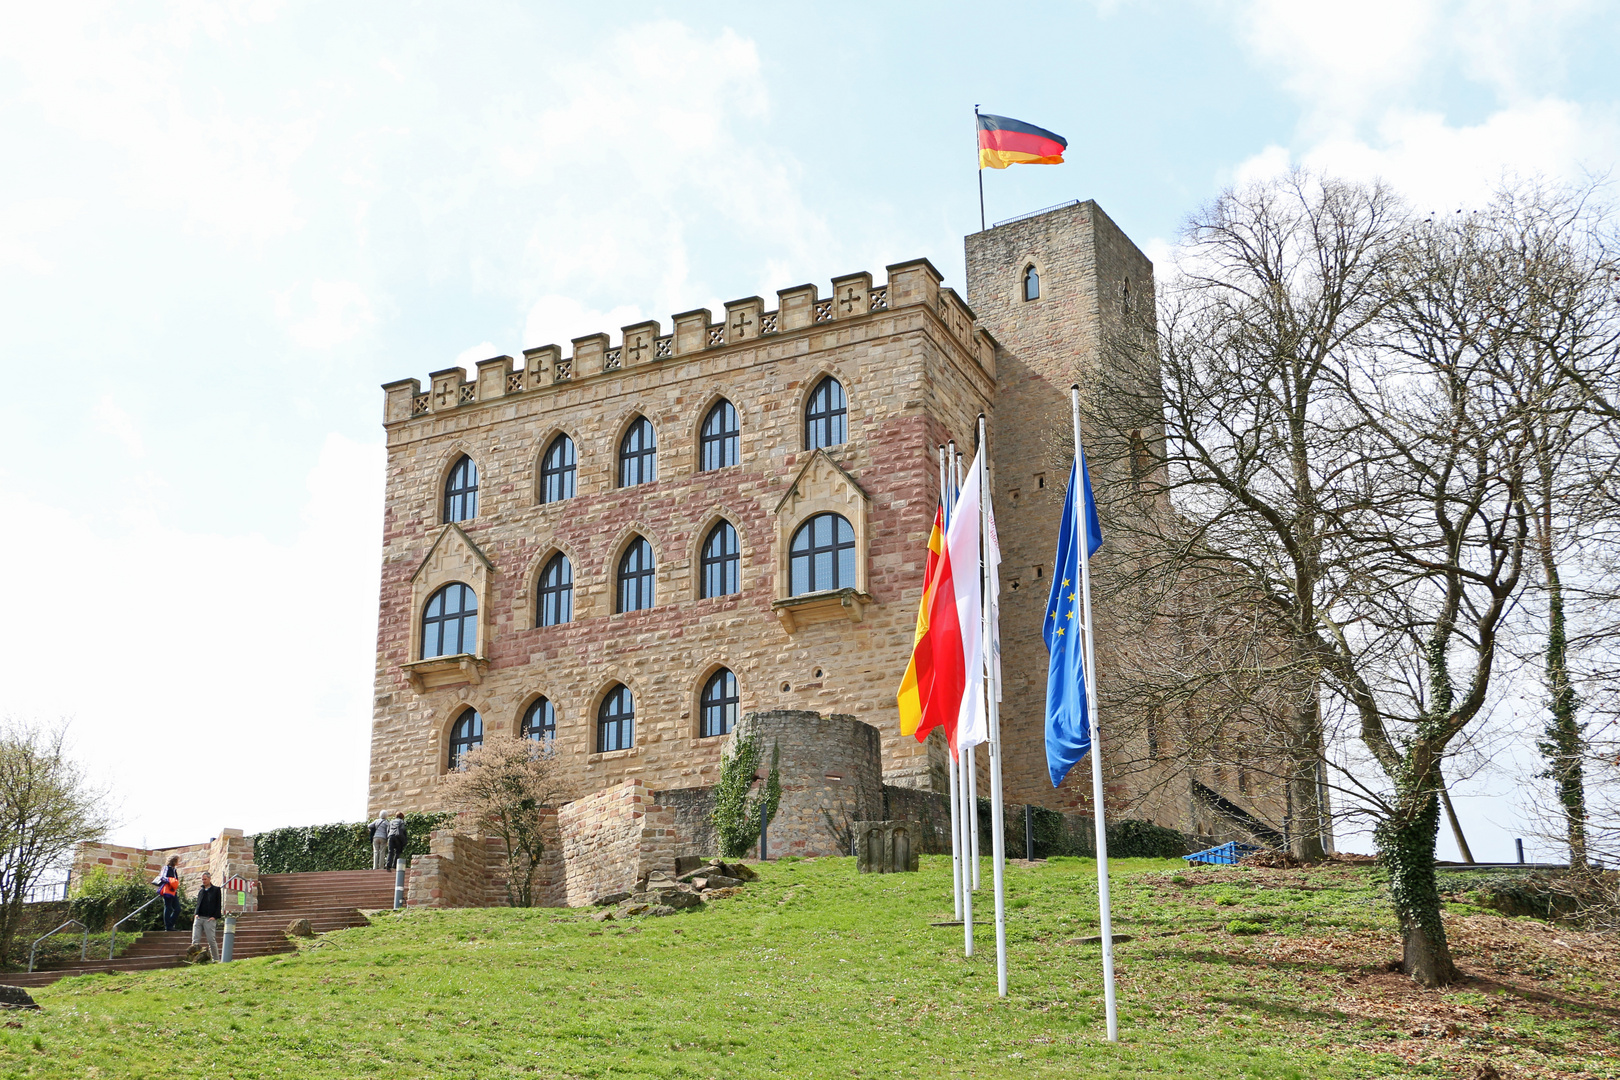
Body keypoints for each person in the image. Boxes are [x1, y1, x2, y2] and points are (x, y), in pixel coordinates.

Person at [191, 872, 222, 961]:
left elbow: (218, 904)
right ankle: (194, 959)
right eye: (202, 879)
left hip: (209, 918)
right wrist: (196, 914)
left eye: (205, 879)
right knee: (195, 940)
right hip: (199, 917)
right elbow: (198, 903)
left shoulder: (216, 890)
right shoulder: (201, 890)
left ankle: (216, 959)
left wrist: (215, 916)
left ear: (209, 879)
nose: (203, 881)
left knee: (211, 940)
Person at [154, 856, 181, 931]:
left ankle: (170, 925)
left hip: (173, 890)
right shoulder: (166, 868)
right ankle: (168, 926)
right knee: (168, 907)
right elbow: (162, 877)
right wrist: (170, 880)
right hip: (167, 890)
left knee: (177, 909)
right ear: (174, 861)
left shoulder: (174, 869)